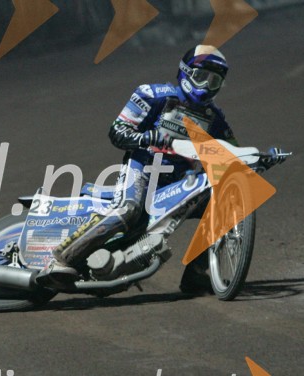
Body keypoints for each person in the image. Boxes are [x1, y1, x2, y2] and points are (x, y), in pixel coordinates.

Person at [37, 45, 287, 293]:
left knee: (226, 203)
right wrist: (148, 138)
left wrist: (260, 160)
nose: (206, 86)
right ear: (185, 73)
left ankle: (197, 274)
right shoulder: (153, 94)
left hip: (179, 182)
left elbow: (231, 154)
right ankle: (61, 259)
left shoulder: (214, 118)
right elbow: (117, 131)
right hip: (143, 168)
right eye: (201, 77)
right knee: (128, 209)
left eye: (214, 81)